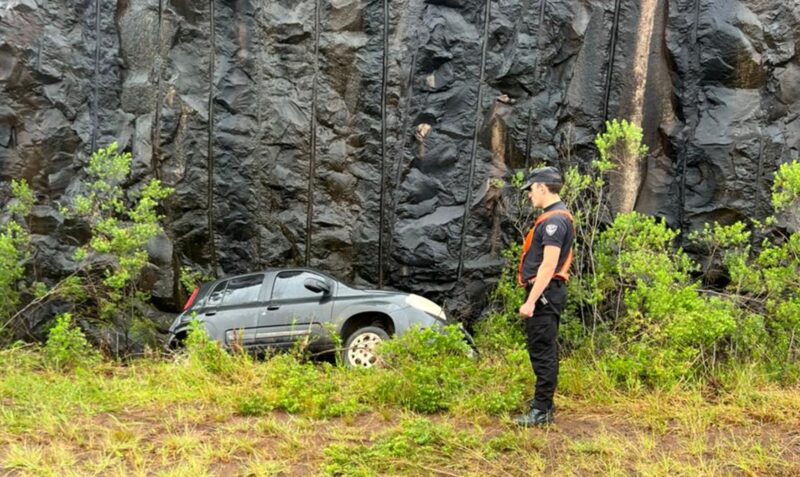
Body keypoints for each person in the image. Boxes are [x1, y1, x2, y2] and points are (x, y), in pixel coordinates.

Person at [513, 166, 575, 427]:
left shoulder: (553, 221)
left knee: (543, 352)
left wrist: (530, 301)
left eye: (531, 189)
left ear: (542, 187)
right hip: (547, 294)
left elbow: (548, 265)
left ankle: (541, 411)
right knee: (543, 350)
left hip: (544, 295)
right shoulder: (555, 217)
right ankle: (543, 405)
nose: (529, 195)